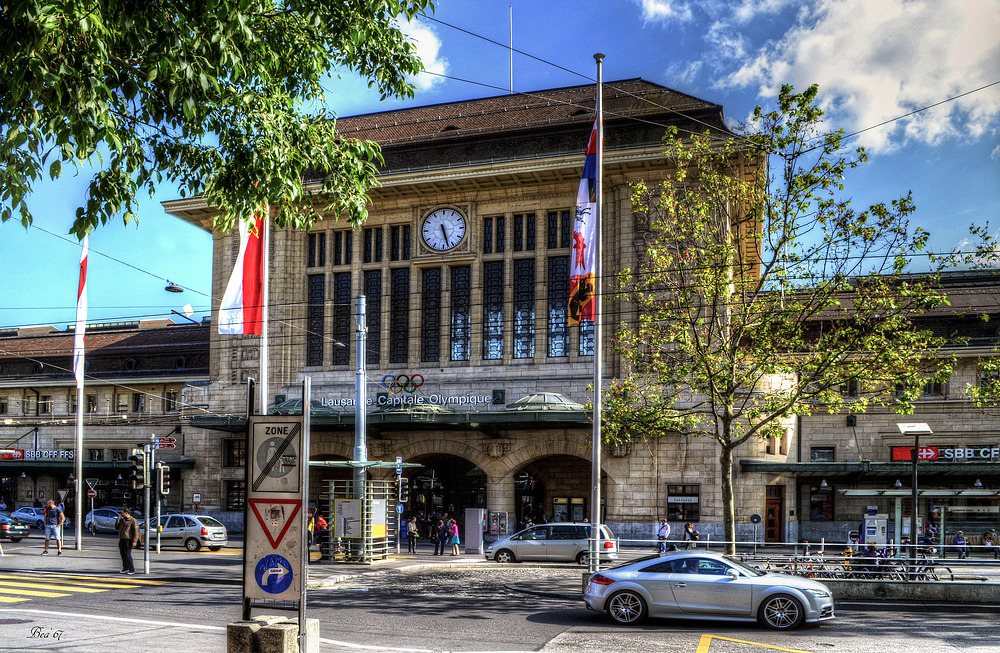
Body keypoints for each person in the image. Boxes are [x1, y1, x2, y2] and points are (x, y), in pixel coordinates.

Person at [114, 507, 139, 574]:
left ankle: (131, 569)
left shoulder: (133, 520)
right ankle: (125, 568)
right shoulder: (122, 520)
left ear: (126, 513)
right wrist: (118, 519)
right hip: (122, 539)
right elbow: (116, 527)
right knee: (123, 554)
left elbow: (136, 532)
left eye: (122, 513)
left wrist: (134, 541)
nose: (121, 514)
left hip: (129, 539)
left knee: (127, 554)